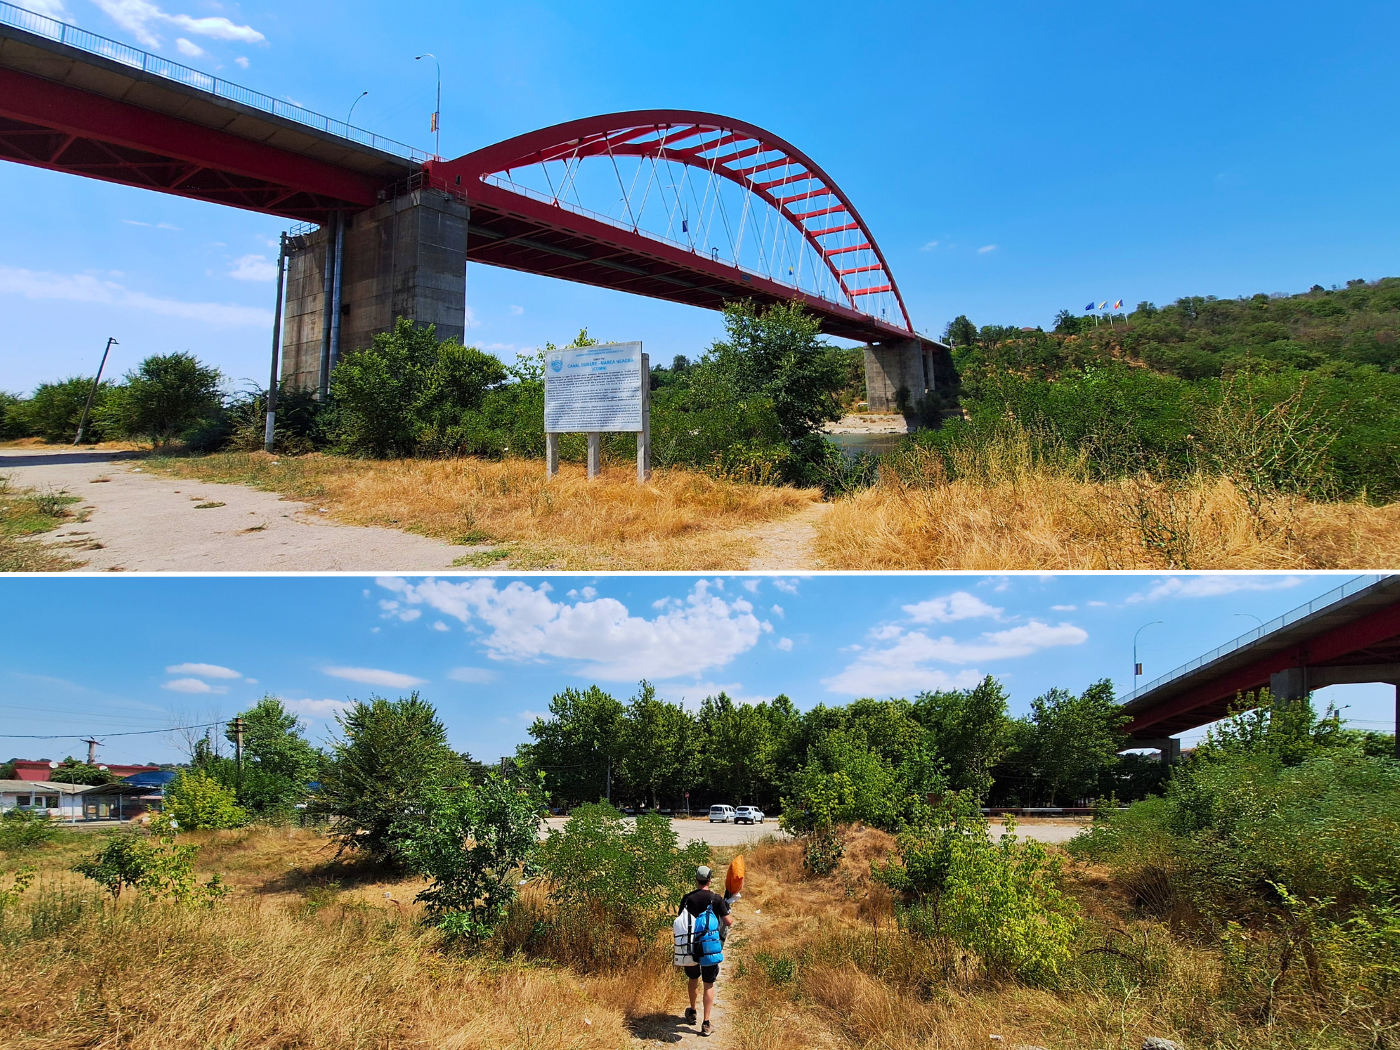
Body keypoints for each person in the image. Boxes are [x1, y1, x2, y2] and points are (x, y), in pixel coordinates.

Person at [677, 865, 733, 1036]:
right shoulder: (716, 899)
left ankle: (692, 1011)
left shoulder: (687, 899)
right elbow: (728, 922)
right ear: (710, 879)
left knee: (693, 978)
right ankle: (706, 1023)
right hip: (708, 948)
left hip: (690, 947)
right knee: (708, 983)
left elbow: (680, 920)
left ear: (696, 879)